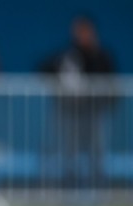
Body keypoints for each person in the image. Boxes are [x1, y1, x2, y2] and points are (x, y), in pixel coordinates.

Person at [40, 15, 117, 187]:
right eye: (78, 31)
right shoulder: (68, 55)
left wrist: (108, 102)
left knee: (97, 151)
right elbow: (44, 68)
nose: (81, 35)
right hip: (70, 112)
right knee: (69, 151)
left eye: (85, 31)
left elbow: (110, 80)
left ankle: (99, 187)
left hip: (95, 112)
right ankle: (69, 186)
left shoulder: (102, 55)